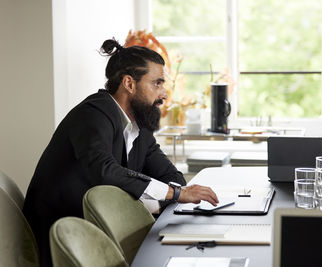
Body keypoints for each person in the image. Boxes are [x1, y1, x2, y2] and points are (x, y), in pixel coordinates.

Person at [23, 39, 219, 267]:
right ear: (129, 84)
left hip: (103, 230)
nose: (164, 94)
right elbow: (104, 171)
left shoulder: (140, 126)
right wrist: (173, 194)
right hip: (63, 237)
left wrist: (171, 193)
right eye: (157, 83)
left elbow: (171, 177)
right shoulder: (93, 114)